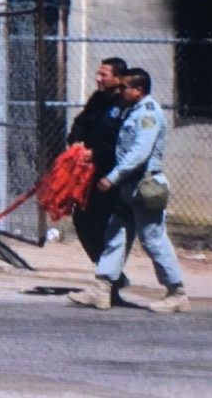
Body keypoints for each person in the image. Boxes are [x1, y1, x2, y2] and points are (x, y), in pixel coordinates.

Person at [68, 68, 190, 313]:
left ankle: (177, 293)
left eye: (125, 87)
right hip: (129, 188)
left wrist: (111, 178)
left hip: (145, 186)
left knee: (153, 239)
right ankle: (102, 289)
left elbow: (138, 153)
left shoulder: (148, 115)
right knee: (116, 236)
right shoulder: (129, 111)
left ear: (139, 90)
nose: (120, 91)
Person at [67, 57, 131, 304]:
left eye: (103, 74)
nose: (98, 78)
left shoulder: (124, 104)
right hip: (89, 174)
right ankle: (111, 277)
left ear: (118, 78)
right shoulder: (98, 99)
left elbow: (120, 142)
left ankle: (108, 283)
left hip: (111, 176)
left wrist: (96, 153)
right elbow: (80, 123)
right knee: (83, 221)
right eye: (98, 73)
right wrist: (75, 143)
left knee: (106, 228)